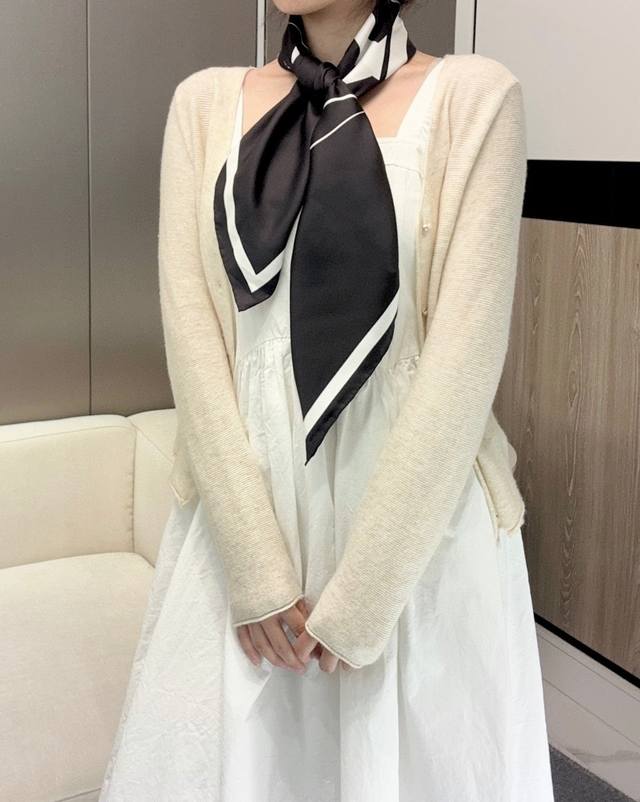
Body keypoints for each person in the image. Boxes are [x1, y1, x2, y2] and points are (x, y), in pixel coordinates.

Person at [99, 1, 556, 799]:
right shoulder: (203, 105)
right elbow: (193, 337)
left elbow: (465, 357)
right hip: (247, 511)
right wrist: (252, 565)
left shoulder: (476, 98)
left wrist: (369, 593)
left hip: (414, 534)